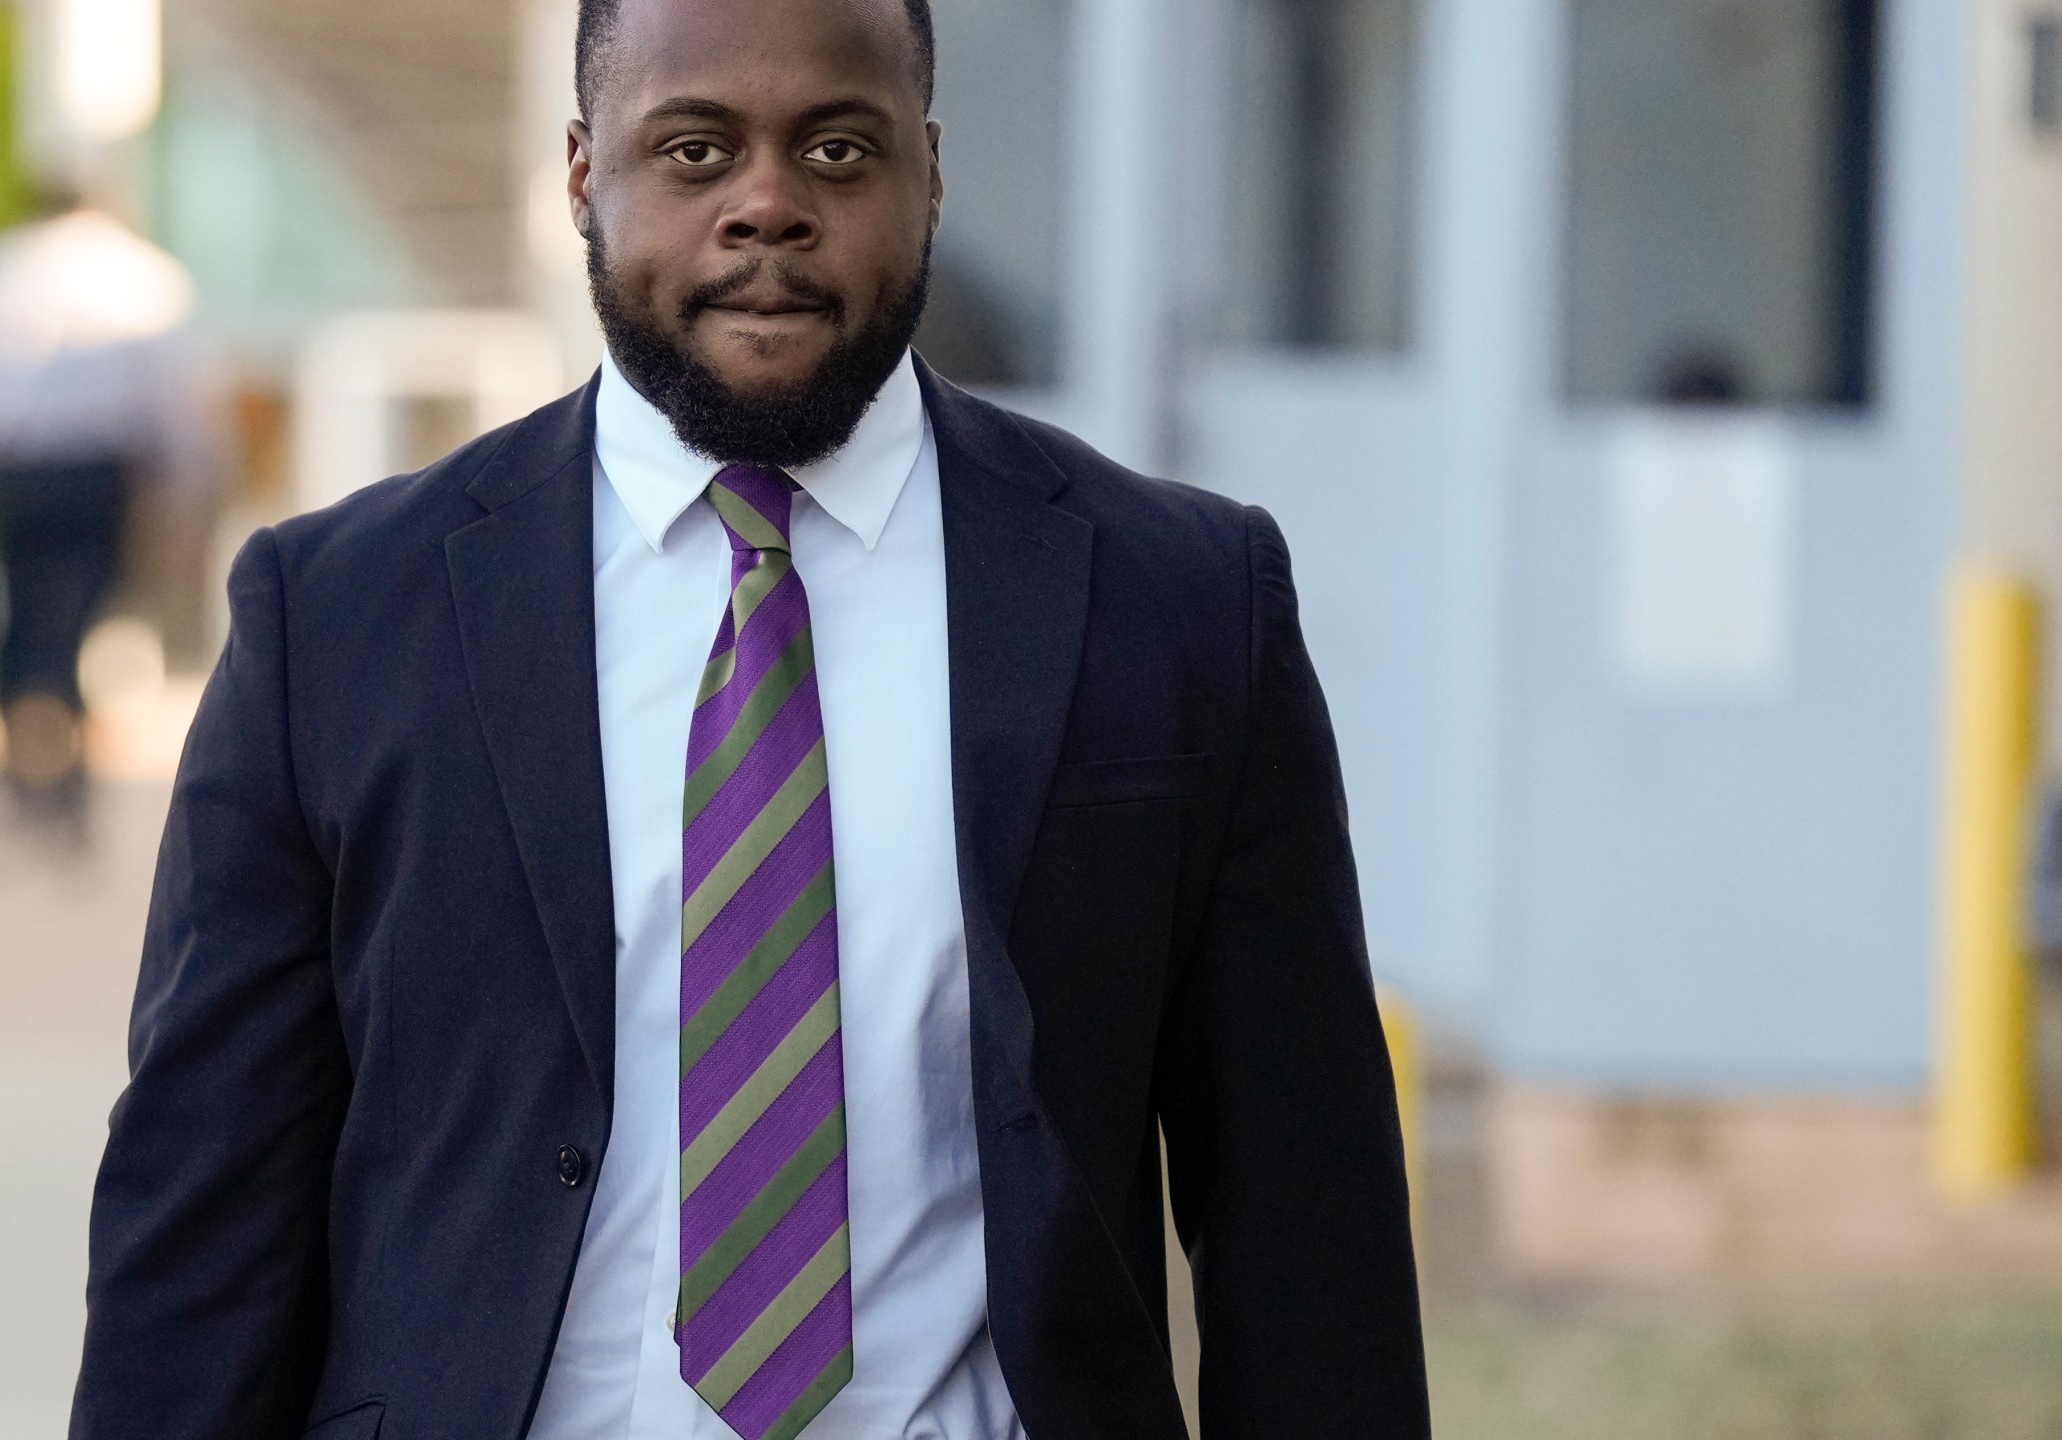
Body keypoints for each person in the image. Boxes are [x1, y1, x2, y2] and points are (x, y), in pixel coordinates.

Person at [73, 0, 1426, 1433]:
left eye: (839, 150)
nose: (767, 205)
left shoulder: (1182, 605)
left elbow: (1305, 1220)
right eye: (696, 149)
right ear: (586, 174)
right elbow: (205, 1218)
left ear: (931, 171)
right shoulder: (338, 622)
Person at [0, 190, 221, 844]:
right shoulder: (139, 277)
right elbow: (181, 400)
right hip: (99, 475)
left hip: (13, 476)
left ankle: (25, 763)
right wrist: (189, 493)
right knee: (81, 621)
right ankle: (62, 768)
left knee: (18, 621)